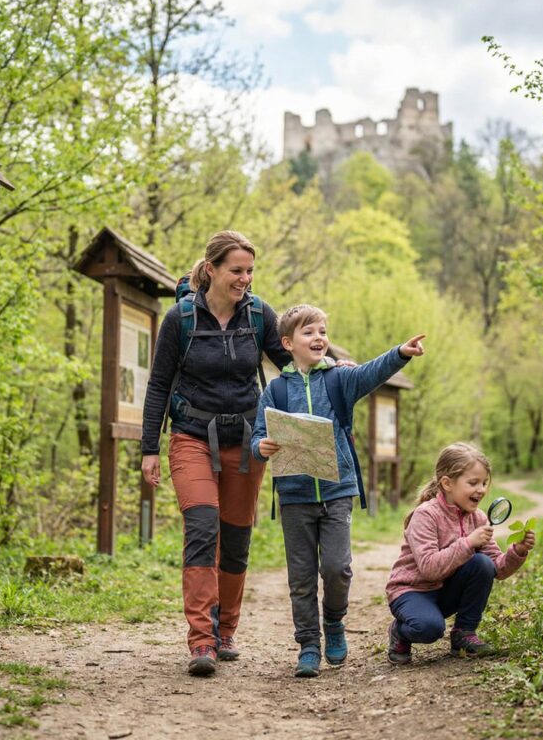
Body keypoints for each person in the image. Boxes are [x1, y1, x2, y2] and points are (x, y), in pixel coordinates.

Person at [141, 231, 291, 677]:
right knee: (203, 528)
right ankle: (201, 640)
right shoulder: (180, 319)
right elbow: (158, 385)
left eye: (249, 271)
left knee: (237, 539)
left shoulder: (259, 313)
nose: (245, 279)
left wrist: (328, 364)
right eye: (236, 271)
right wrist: (150, 447)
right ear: (212, 270)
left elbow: (290, 361)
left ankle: (226, 631)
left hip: (247, 442)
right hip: (190, 437)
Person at [250, 303, 425, 678]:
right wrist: (260, 447)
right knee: (300, 576)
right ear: (287, 342)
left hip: (337, 489)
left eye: (322, 331)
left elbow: (371, 373)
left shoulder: (338, 380)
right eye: (309, 332)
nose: (319, 338)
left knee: (337, 568)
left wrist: (400, 354)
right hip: (294, 496)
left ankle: (334, 622)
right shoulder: (277, 390)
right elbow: (258, 435)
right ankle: (309, 645)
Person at [385, 442, 536, 665]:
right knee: (429, 628)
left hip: (444, 590)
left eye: (484, 483)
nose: (481, 489)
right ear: (447, 483)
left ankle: (463, 633)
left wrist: (518, 551)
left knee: (482, 563)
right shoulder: (426, 515)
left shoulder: (478, 518)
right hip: (412, 591)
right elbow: (429, 568)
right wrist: (468, 543)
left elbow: (497, 569)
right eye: (473, 483)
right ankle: (400, 630)